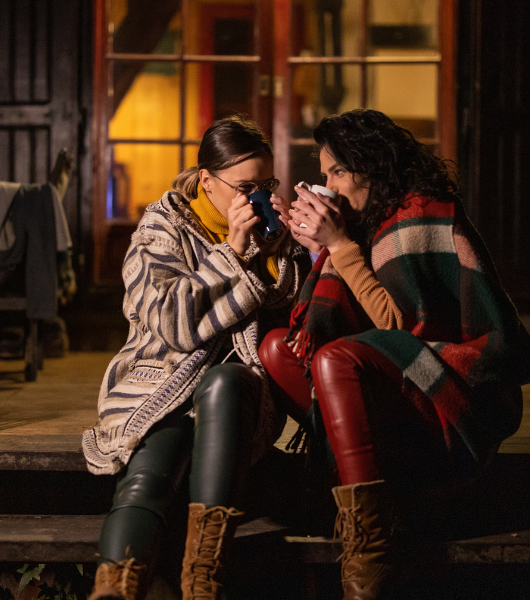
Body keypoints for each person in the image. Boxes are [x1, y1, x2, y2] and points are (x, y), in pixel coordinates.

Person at [258, 109, 530, 599]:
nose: (325, 183)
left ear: (368, 167)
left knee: (334, 360)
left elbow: (400, 331)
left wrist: (339, 245)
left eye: (335, 172)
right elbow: (343, 317)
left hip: (445, 395)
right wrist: (316, 250)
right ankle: (368, 496)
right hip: (385, 390)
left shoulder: (423, 214)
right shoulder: (365, 221)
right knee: (275, 350)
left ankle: (370, 547)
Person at [82, 116, 311, 600]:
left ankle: (203, 583)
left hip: (238, 392)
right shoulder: (160, 230)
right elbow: (173, 324)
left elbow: (292, 310)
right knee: (153, 461)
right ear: (207, 180)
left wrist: (284, 250)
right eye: (245, 187)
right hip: (161, 381)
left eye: (266, 185)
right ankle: (115, 588)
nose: (257, 198)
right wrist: (232, 251)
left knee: (223, 384)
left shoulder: (270, 232)